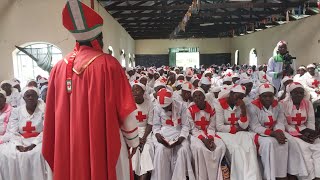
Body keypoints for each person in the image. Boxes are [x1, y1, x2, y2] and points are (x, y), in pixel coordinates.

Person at [42, 1, 139, 180]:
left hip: (68, 144)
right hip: (101, 142)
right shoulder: (108, 64)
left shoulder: (57, 68)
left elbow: (51, 115)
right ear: (98, 38)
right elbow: (125, 110)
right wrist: (133, 141)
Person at [248, 83, 306, 180]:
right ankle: (271, 176)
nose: (268, 99)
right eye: (264, 96)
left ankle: (291, 172)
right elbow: (255, 126)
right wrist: (273, 133)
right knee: (270, 143)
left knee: (290, 141)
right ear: (259, 96)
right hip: (258, 133)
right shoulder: (252, 106)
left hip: (275, 131)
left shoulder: (278, 105)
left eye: (270, 96)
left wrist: (279, 131)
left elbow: (280, 121)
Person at [0, 86, 48, 180]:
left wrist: (33, 144)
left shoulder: (44, 110)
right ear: (23, 98)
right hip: (20, 139)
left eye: (33, 95)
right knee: (8, 154)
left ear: (37, 97)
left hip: (39, 139)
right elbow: (12, 130)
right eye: (28, 95)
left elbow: (46, 130)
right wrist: (18, 144)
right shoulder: (16, 111)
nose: (30, 97)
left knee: (37, 154)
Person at [215, 84, 261, 180]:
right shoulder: (219, 104)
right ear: (231, 93)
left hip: (239, 133)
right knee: (236, 149)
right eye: (237, 96)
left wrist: (243, 110)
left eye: (241, 97)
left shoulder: (242, 104)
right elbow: (219, 126)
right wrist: (236, 129)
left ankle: (252, 177)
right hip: (224, 133)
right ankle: (239, 177)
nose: (239, 100)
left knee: (249, 147)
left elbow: (244, 125)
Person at [151, 88, 195, 180]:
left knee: (183, 149)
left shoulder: (181, 106)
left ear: (171, 102)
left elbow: (186, 125)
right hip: (163, 133)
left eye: (167, 107)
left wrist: (181, 138)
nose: (165, 109)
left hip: (179, 133)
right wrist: (157, 135)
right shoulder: (158, 107)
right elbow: (156, 126)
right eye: (163, 107)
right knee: (160, 149)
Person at [281, 82, 320, 180]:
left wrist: (310, 134)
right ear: (290, 93)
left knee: (318, 146)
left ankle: (318, 175)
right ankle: (308, 177)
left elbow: (311, 120)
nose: (299, 95)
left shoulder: (307, 103)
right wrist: (299, 135)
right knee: (304, 149)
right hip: (290, 131)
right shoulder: (282, 104)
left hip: (305, 129)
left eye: (301, 93)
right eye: (296, 92)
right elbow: (284, 124)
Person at [187, 88, 226, 180]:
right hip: (196, 135)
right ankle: (202, 177)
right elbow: (193, 129)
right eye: (195, 96)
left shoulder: (211, 108)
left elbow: (211, 127)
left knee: (220, 146)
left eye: (200, 95)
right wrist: (204, 140)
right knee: (200, 148)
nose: (197, 98)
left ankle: (217, 176)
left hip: (209, 133)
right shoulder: (189, 110)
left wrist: (210, 139)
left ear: (204, 96)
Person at [130, 81, 154, 180]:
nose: (135, 92)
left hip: (146, 132)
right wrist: (136, 138)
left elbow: (150, 123)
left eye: (137, 89)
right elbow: (128, 123)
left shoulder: (149, 104)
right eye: (133, 90)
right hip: (132, 131)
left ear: (143, 92)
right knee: (133, 152)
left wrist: (143, 138)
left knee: (147, 150)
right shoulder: (129, 104)